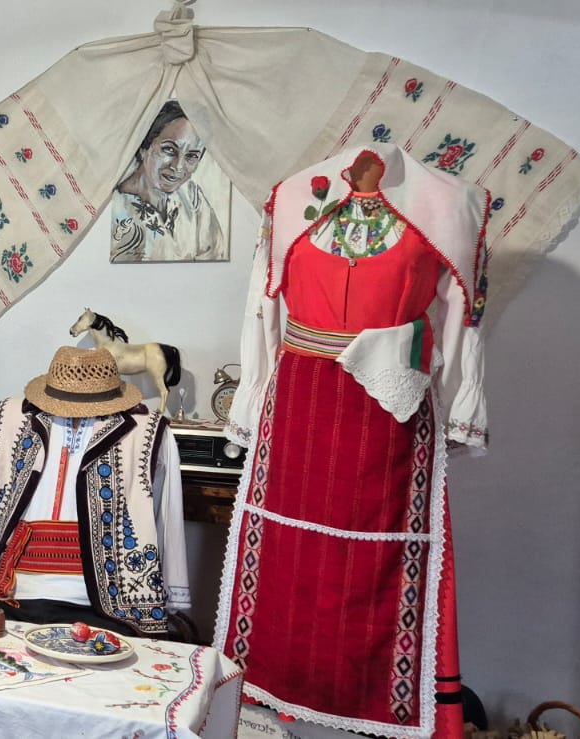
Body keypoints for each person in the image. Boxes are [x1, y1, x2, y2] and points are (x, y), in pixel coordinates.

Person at [216, 144, 489, 737]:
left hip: (388, 415)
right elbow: (262, 306)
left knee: (379, 563)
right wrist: (252, 395)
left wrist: (462, 404)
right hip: (299, 405)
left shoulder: (452, 205)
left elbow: (464, 318)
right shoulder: (292, 199)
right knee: (288, 558)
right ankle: (276, 699)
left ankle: (372, 705)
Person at [0, 345, 191, 638]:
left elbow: (167, 518)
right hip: (13, 593)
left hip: (104, 605)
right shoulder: (10, 418)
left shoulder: (147, 430)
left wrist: (169, 594)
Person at [108, 101, 225, 263]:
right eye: (169, 149)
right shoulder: (118, 208)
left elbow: (214, 252)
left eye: (191, 156)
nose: (178, 167)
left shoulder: (191, 196)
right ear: (144, 147)